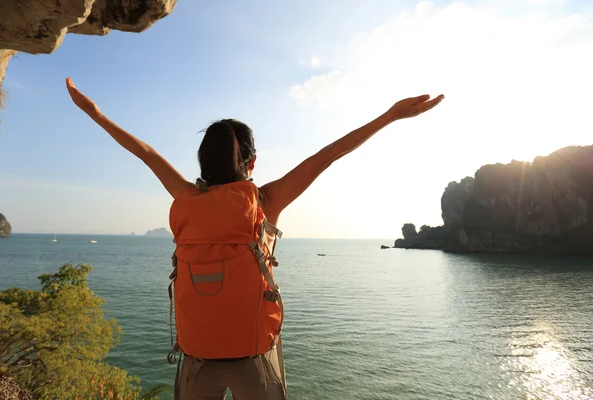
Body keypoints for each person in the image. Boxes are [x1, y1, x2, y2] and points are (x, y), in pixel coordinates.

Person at [66, 77, 444, 400]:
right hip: (254, 358)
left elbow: (145, 153)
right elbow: (329, 154)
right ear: (251, 163)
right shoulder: (264, 202)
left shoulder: (184, 199)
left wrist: (95, 113)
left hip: (198, 358)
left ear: (203, 164)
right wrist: (391, 116)